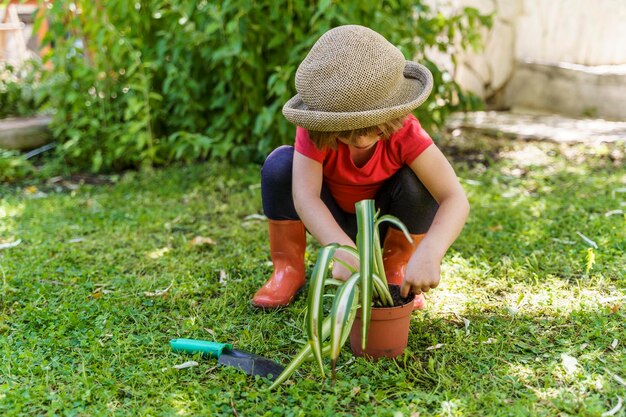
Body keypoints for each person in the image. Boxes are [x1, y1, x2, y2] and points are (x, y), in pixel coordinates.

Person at [252, 25, 469, 310]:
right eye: (346, 131)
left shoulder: (405, 131)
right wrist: (341, 248)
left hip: (383, 221)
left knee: (418, 180)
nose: (363, 138)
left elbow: (454, 197)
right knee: (280, 165)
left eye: (374, 129)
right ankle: (288, 270)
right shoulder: (316, 129)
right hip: (332, 218)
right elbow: (305, 197)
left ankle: (395, 268)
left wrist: (431, 251)